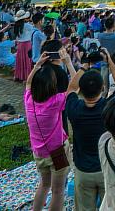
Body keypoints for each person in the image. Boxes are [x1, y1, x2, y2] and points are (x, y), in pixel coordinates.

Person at [66, 50, 115, 211]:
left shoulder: (74, 108)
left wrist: (85, 66)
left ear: (81, 90)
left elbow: (71, 88)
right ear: (103, 88)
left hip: (83, 170)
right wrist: (109, 59)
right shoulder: (108, 107)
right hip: (107, 169)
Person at [25, 50, 74, 211]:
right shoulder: (56, 101)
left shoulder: (29, 100)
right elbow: (74, 87)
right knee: (58, 191)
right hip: (58, 151)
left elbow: (27, 83)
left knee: (44, 185)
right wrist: (68, 62)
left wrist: (37, 65)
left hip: (38, 152)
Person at [14, 10, 33, 81]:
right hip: (27, 44)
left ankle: (19, 75)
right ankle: (26, 76)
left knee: (20, 60)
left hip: (20, 44)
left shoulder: (16, 26)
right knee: (27, 60)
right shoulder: (28, 26)